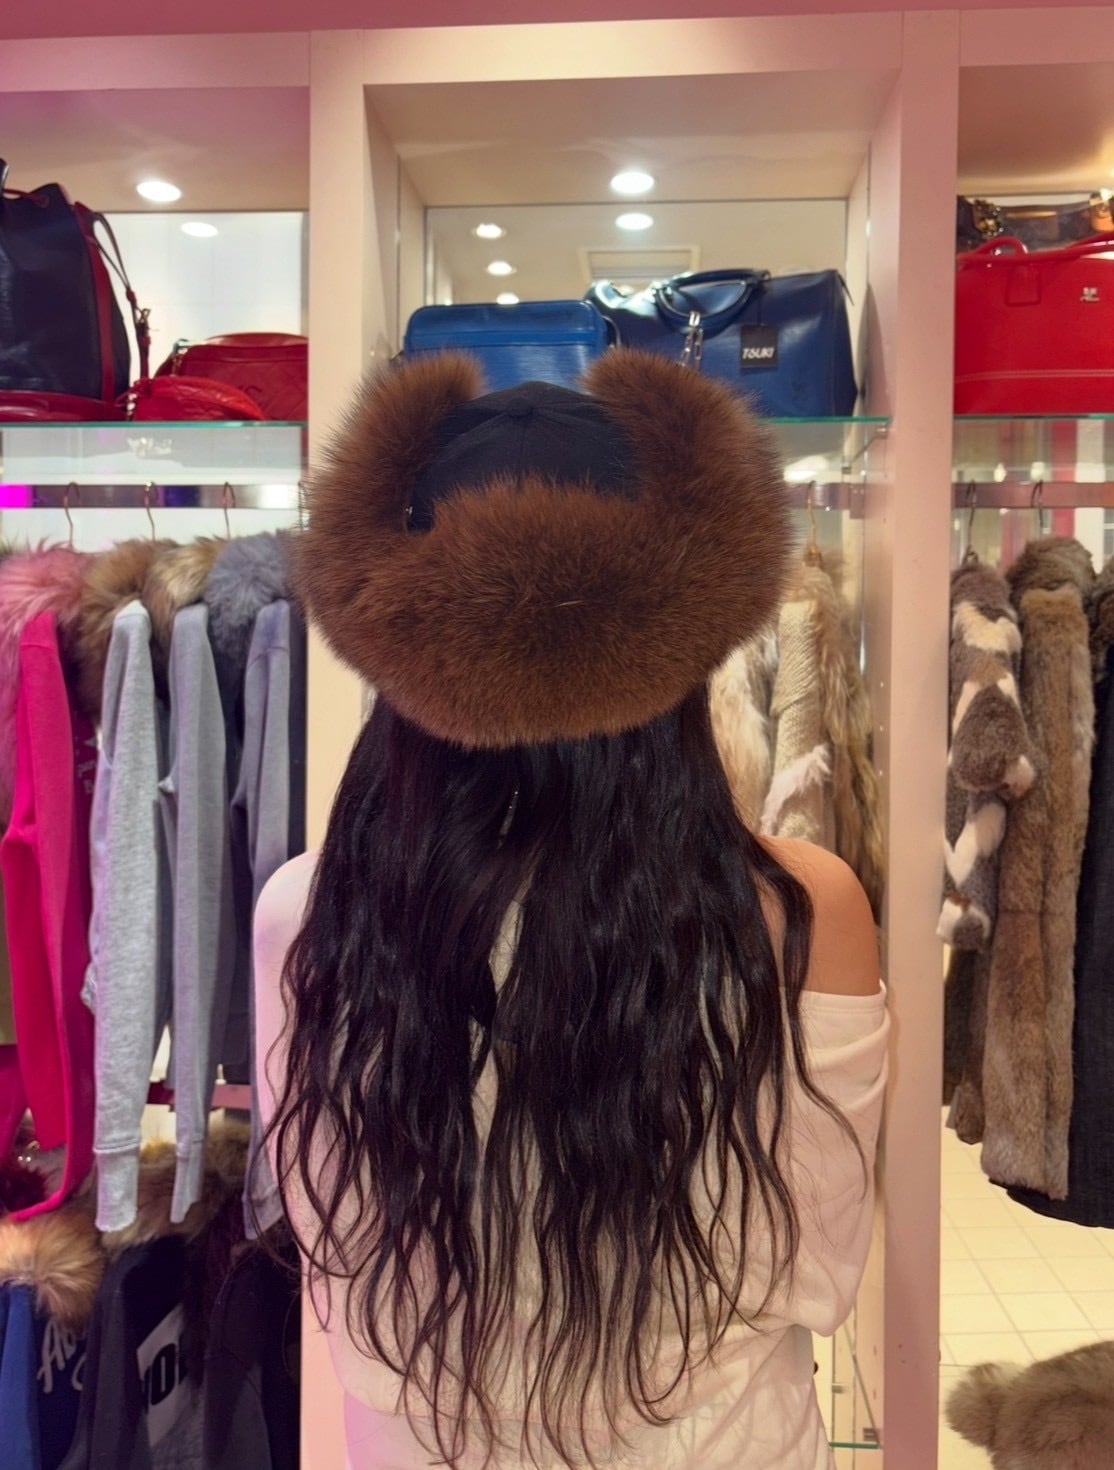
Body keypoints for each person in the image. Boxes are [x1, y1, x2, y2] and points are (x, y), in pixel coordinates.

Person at [253, 349, 888, 1470]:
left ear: (408, 663)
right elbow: (821, 1273)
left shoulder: (309, 911)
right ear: (676, 649)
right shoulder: (797, 909)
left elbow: (329, 1240)